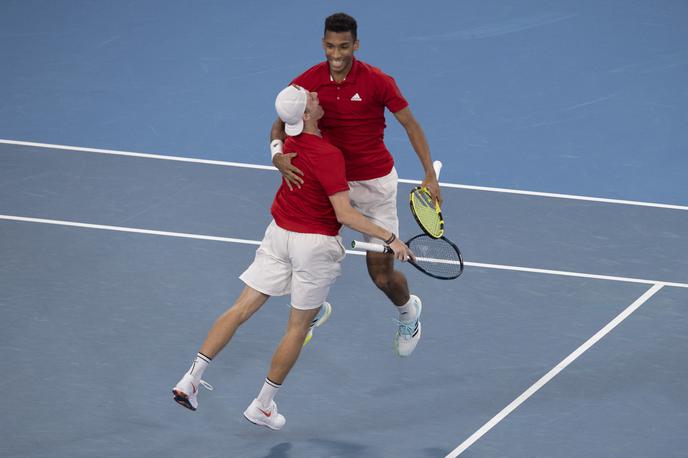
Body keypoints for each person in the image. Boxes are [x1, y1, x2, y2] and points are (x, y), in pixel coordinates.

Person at [172, 84, 413, 430]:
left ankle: (190, 379)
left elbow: (277, 132)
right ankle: (263, 405)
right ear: (306, 114)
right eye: (312, 99)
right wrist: (391, 238)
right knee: (298, 327)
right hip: (313, 247)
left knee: (239, 309)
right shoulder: (328, 155)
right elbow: (344, 214)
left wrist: (274, 152)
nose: (317, 96)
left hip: (278, 235)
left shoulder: (288, 141)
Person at [270, 12, 441, 357]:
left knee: (381, 276)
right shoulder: (307, 84)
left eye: (344, 46)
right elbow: (280, 123)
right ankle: (314, 309)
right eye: (330, 46)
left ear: (356, 45)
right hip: (330, 184)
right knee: (299, 252)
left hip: (375, 186)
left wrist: (429, 174)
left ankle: (409, 312)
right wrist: (276, 155)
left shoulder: (378, 81)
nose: (336, 54)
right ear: (323, 44)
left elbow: (410, 124)